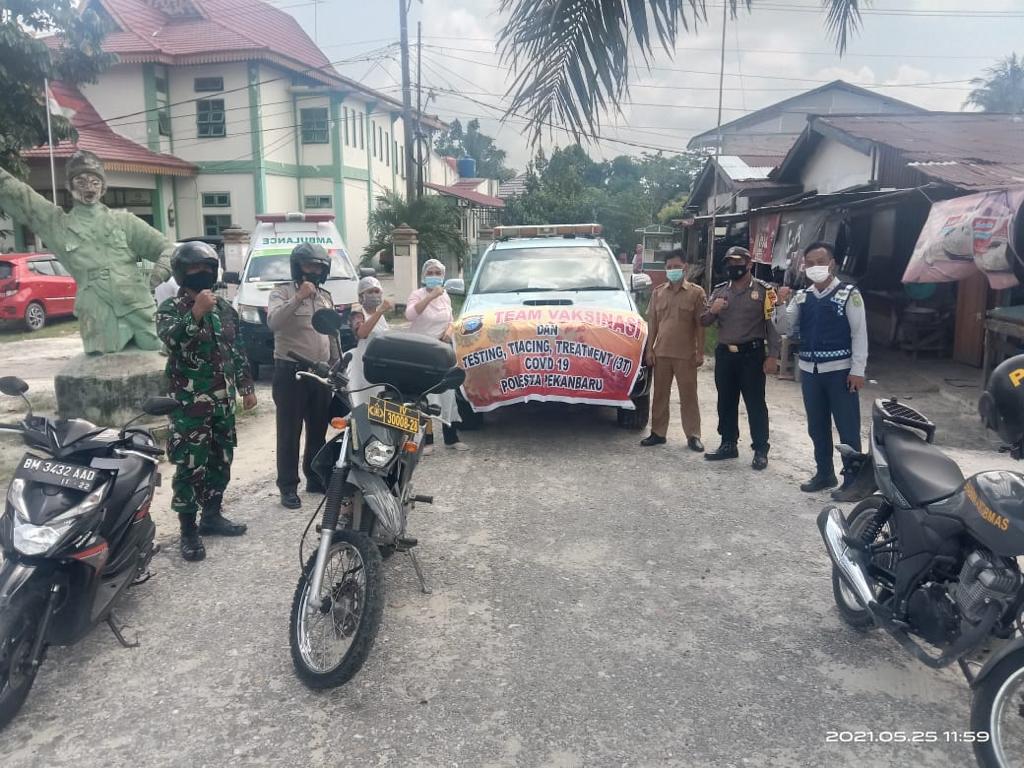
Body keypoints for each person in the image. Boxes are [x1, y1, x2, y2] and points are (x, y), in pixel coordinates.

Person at [0, 150, 174, 353]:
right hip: (97, 312)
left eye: (95, 182)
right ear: (69, 186)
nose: (89, 188)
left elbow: (167, 249)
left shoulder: (124, 221)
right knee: (102, 360)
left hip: (138, 306)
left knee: (155, 353)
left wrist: (155, 275)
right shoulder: (58, 226)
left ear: (103, 187)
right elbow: (22, 198)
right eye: (81, 182)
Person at [157, 242, 255, 562]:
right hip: (189, 406)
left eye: (206, 269)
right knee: (189, 465)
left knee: (220, 459)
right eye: (194, 270)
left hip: (223, 402)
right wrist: (196, 312)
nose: (201, 275)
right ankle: (188, 530)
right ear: (182, 273)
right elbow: (172, 341)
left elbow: (236, 350)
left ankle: (212, 515)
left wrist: (246, 387)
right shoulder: (171, 308)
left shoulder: (225, 309)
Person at [776, 241, 868, 499]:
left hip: (841, 371)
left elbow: (860, 334)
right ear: (804, 267)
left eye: (821, 262)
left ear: (833, 264)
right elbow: (784, 329)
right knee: (817, 426)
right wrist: (780, 304)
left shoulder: (849, 294)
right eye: (810, 263)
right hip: (810, 371)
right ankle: (824, 472)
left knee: (847, 427)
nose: (815, 267)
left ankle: (853, 480)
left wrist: (858, 370)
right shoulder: (802, 297)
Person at [267, 243, 339, 509]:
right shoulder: (281, 291)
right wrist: (297, 297)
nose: (315, 270)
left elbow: (331, 332)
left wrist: (336, 362)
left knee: (318, 428)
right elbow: (273, 322)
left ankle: (314, 476)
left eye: (320, 266)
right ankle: (287, 486)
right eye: (310, 265)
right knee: (289, 431)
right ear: (298, 266)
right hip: (290, 371)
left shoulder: (325, 296)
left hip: (320, 372)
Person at [701, 246, 780, 470]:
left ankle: (761, 449)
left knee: (755, 403)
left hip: (752, 355)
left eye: (738, 262)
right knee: (725, 400)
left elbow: (771, 326)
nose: (733, 267)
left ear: (749, 264)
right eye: (729, 262)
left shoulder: (765, 291)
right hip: (725, 354)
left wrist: (773, 355)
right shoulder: (719, 291)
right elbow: (703, 321)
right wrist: (713, 310)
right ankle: (728, 443)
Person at [640, 250, 706, 451]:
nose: (672, 270)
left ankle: (693, 435)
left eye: (676, 266)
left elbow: (701, 325)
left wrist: (700, 352)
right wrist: (649, 350)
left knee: (688, 395)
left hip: (686, 354)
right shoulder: (658, 292)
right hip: (661, 353)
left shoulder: (696, 293)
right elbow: (652, 323)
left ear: (685, 267)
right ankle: (658, 433)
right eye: (668, 267)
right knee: (660, 395)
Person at [406, 258, 467, 453]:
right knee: (427, 395)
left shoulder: (446, 296)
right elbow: (410, 315)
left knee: (448, 393)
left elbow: (450, 319)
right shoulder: (417, 295)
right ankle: (428, 440)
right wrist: (430, 296)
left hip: (444, 350)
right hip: (423, 352)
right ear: (424, 276)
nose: (433, 276)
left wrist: (449, 331)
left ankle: (451, 437)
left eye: (437, 273)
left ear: (443, 276)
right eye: (429, 273)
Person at [348, 276, 392, 408]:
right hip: (362, 366)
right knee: (363, 404)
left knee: (379, 404)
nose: (374, 295)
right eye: (370, 292)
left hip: (380, 365)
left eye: (376, 291)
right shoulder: (358, 313)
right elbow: (361, 333)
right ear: (361, 295)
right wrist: (379, 311)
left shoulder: (381, 316)